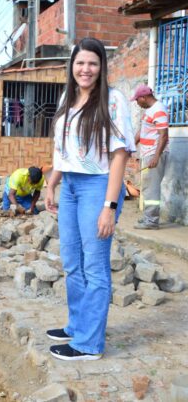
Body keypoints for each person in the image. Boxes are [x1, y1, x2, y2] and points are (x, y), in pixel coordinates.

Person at [44, 38, 136, 361]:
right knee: (72, 262)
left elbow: (120, 156)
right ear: (72, 66)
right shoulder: (67, 99)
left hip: (98, 186)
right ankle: (77, 326)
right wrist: (52, 183)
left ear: (101, 67)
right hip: (69, 185)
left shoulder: (113, 100)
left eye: (93, 63)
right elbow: (63, 150)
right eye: (80, 63)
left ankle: (89, 345)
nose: (86, 69)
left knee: (94, 266)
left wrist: (109, 207)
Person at [131, 84, 169, 230]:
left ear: (143, 97)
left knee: (152, 188)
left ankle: (152, 222)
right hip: (148, 154)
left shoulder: (159, 110)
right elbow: (142, 132)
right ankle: (148, 218)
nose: (136, 102)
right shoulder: (150, 110)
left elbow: (163, 135)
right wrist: (131, 147)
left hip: (154, 155)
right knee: (147, 187)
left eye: (137, 99)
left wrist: (156, 157)